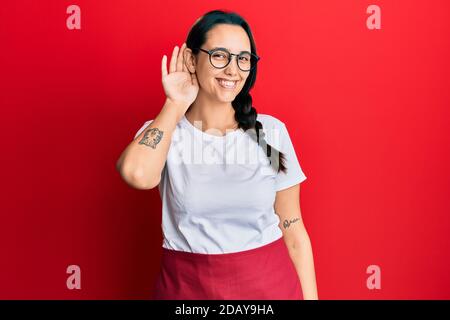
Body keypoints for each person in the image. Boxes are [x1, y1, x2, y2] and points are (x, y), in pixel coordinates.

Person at [116, 9, 318, 300]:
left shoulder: (271, 134)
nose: (233, 71)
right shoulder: (165, 131)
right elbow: (137, 175)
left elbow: (294, 229)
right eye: (220, 55)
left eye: (243, 59)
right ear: (191, 59)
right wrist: (175, 104)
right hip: (187, 291)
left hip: (270, 288)